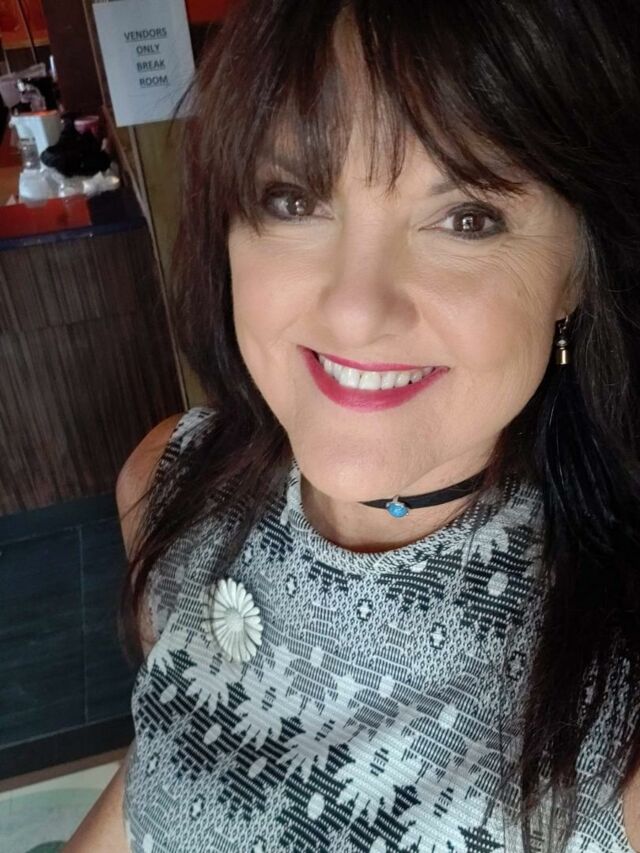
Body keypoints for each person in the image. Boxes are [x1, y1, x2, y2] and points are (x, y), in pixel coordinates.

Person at [63, 0, 640, 850]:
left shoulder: (616, 702)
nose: (356, 311)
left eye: (467, 217)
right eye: (293, 198)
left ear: (578, 272)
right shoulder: (168, 485)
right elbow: (174, 754)